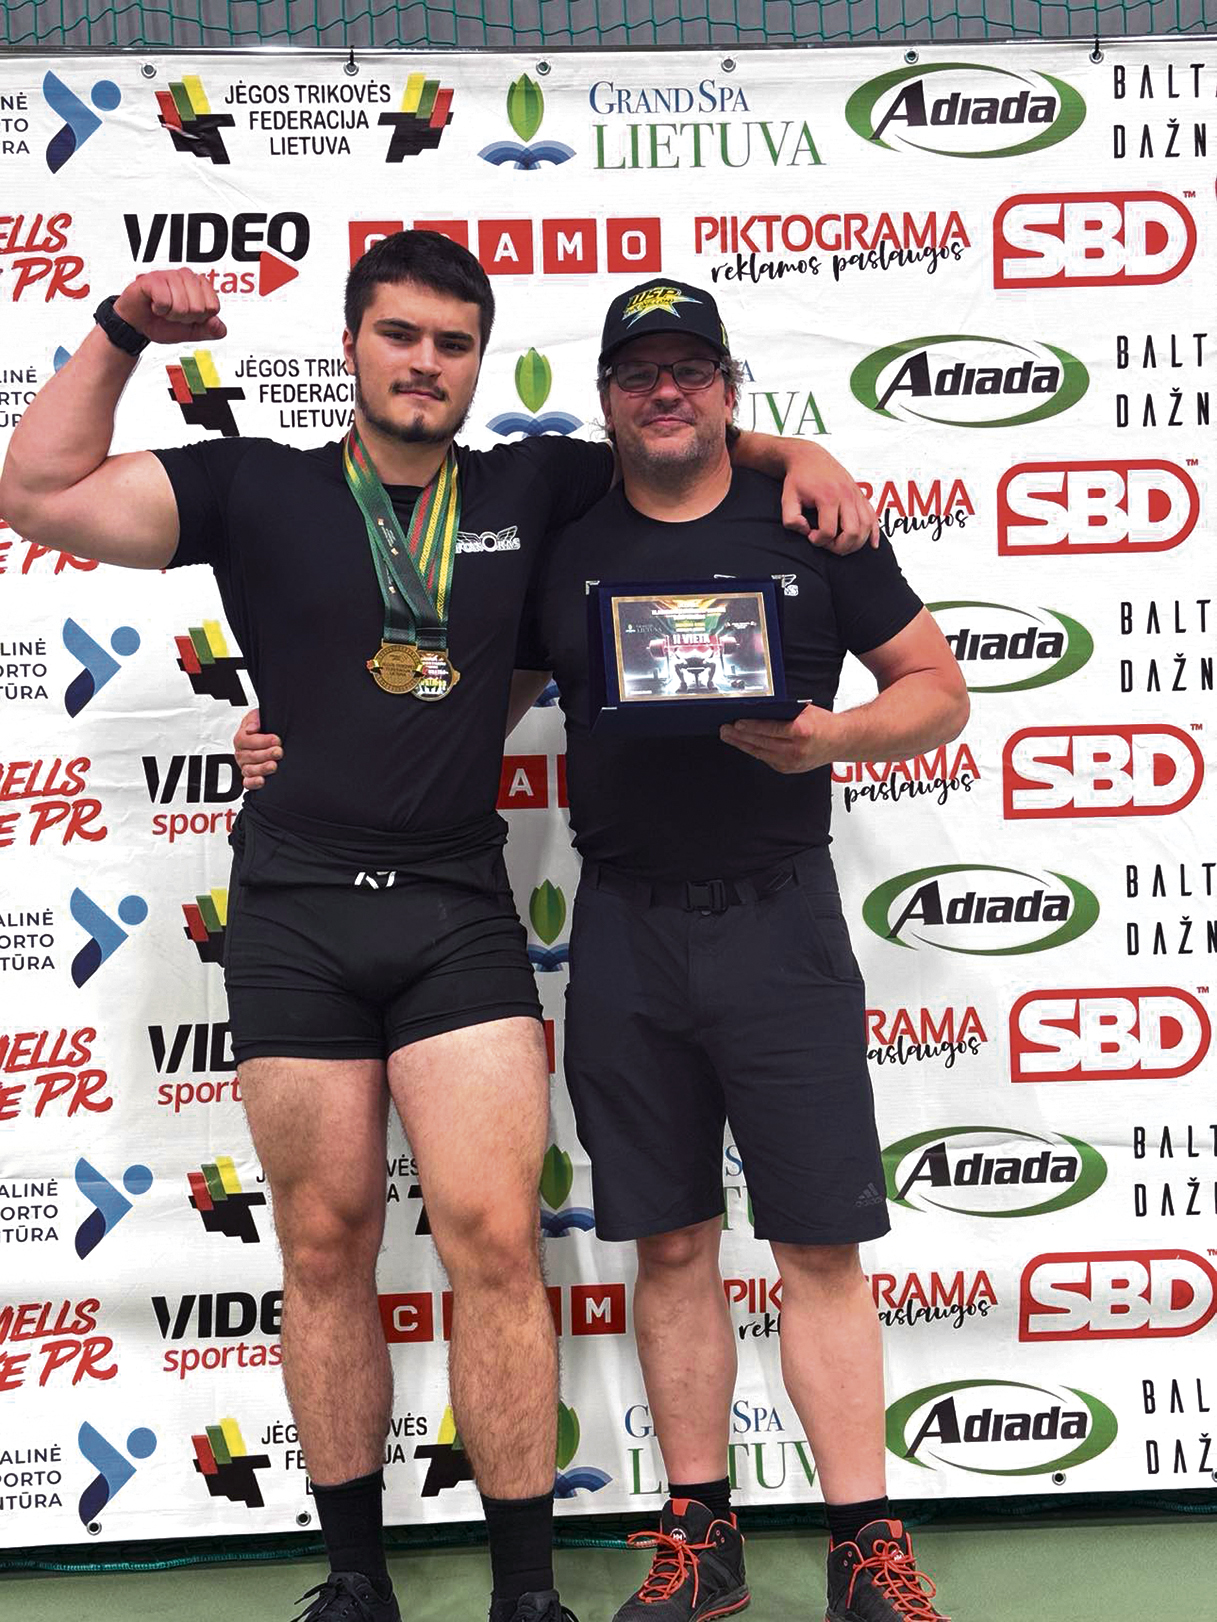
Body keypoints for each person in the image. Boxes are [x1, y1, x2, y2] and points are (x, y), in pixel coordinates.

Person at [0, 239, 879, 1622]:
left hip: (455, 907)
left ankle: (526, 1595)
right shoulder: (254, 484)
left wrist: (800, 451)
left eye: (453, 344)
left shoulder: (536, 486)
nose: (425, 363)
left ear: (479, 363)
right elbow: (36, 489)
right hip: (295, 909)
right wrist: (118, 329)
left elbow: (677, 436)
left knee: (491, 1238)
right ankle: (355, 1578)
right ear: (352, 345)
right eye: (400, 335)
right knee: (323, 1245)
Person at [237, 277, 968, 1622]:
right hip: (625, 925)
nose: (665, 391)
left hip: (782, 918)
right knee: (671, 1246)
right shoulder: (561, 538)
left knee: (817, 1246)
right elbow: (456, 691)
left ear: (730, 389)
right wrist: (302, 739)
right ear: (607, 399)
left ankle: (865, 1543)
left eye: (690, 369)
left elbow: (937, 691)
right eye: (639, 373)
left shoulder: (810, 516)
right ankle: (701, 1536)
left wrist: (835, 737)